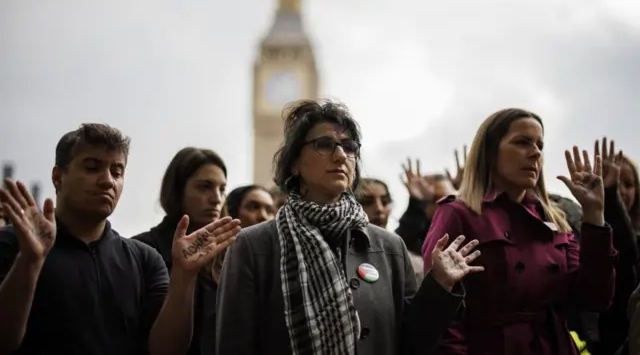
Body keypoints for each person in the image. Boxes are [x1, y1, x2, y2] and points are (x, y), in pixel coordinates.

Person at [216, 100, 484, 355]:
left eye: (349, 147)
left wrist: (439, 284)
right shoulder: (253, 246)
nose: (340, 156)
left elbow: (412, 344)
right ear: (295, 163)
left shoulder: (388, 247)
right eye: (324, 144)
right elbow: (234, 345)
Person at [0, 124, 240, 355]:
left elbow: (166, 350)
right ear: (58, 177)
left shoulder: (144, 258)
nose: (107, 181)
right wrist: (30, 260)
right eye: (92, 168)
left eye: (117, 171)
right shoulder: (14, 244)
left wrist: (184, 278)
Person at [422, 108, 616, 355]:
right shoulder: (458, 213)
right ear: (490, 151)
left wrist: (594, 216)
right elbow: (440, 312)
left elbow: (596, 298)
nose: (536, 153)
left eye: (539, 145)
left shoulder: (555, 219)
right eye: (522, 142)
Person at [133, 147, 230, 355]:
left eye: (222, 189)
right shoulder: (141, 250)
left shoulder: (230, 255)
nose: (216, 199)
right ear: (177, 190)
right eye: (205, 187)